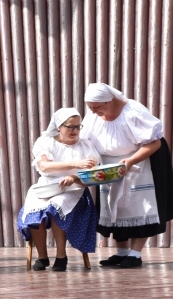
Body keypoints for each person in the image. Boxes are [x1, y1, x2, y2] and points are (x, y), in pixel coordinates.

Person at [80, 83, 173, 268]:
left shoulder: (133, 111)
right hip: (109, 167)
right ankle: (121, 252)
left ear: (109, 100)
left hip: (138, 163)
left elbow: (154, 144)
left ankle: (135, 254)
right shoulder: (94, 115)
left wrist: (130, 162)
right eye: (90, 107)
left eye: (97, 107)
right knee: (115, 207)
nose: (93, 111)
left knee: (138, 207)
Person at [17, 108, 100, 271]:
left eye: (78, 126)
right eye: (70, 127)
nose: (75, 131)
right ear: (59, 126)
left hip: (74, 188)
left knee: (55, 207)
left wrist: (74, 177)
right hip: (46, 186)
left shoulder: (86, 146)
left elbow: (93, 174)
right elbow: (45, 166)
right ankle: (42, 256)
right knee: (35, 211)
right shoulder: (45, 142)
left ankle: (61, 256)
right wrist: (75, 164)